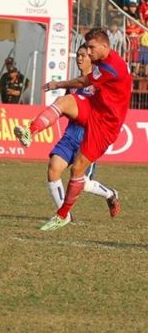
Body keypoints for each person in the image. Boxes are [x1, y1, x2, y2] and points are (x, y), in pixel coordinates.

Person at [14, 28, 130, 231]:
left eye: (91, 49)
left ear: (105, 46)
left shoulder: (111, 67)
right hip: (92, 110)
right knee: (65, 101)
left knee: (78, 172)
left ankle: (62, 215)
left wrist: (58, 83)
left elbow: (84, 81)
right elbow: (81, 83)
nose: (88, 53)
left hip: (105, 125)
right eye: (85, 51)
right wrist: (60, 86)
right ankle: (29, 131)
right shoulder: (102, 63)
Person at [45, 44, 119, 220]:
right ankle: (65, 216)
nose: (79, 58)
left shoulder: (100, 84)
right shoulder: (72, 85)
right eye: (78, 55)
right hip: (70, 135)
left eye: (83, 55)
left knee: (83, 183)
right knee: (53, 169)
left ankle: (110, 194)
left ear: (92, 59)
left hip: (88, 138)